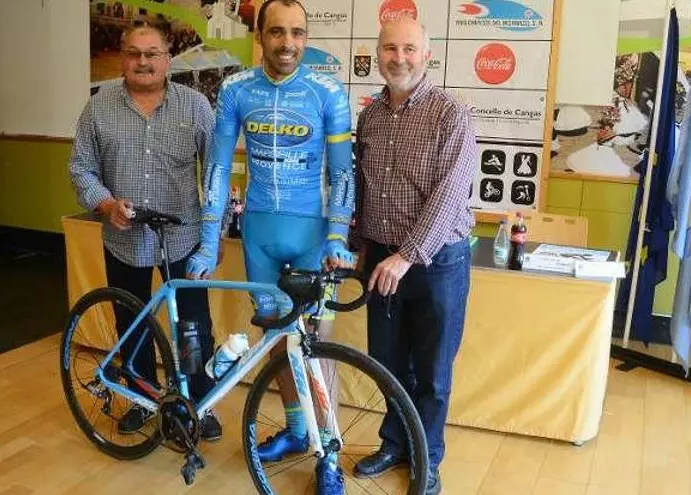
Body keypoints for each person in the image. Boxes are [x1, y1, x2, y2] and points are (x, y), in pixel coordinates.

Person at [186, 0, 355, 492]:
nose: (288, 43)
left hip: (311, 237)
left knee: (316, 344)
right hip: (259, 233)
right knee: (277, 338)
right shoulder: (236, 89)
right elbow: (218, 168)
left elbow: (342, 174)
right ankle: (298, 430)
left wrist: (337, 237)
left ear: (307, 38)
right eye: (277, 32)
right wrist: (208, 240)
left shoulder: (328, 91)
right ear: (259, 36)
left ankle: (329, 452)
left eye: (297, 33)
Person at [68, 24, 221, 440]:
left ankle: (200, 402)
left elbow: (215, 173)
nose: (143, 62)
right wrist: (105, 204)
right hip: (125, 240)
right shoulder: (98, 108)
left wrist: (215, 234)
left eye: (152, 54)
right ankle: (141, 399)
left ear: (167, 60)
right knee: (132, 323)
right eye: (134, 53)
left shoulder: (195, 106)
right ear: (122, 59)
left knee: (193, 327)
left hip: (184, 240)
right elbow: (80, 168)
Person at [352, 19, 477, 495]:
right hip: (381, 258)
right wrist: (359, 245)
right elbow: (364, 187)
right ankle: (395, 443)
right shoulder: (370, 117)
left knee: (432, 372)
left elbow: (450, 194)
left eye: (409, 48)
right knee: (387, 363)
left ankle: (428, 459)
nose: (399, 58)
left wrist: (406, 255)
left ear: (427, 55)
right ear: (377, 55)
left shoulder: (451, 114)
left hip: (436, 263)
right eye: (390, 48)